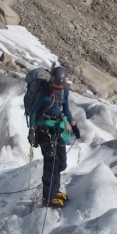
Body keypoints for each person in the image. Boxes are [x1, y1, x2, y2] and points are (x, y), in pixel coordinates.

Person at [27, 65, 80, 208]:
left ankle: (54, 191)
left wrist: (74, 125)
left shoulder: (64, 92)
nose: (55, 90)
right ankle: (48, 197)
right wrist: (32, 130)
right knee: (51, 162)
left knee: (61, 163)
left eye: (58, 87)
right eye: (54, 86)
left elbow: (66, 109)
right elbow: (33, 112)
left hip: (57, 129)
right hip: (44, 129)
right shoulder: (43, 93)